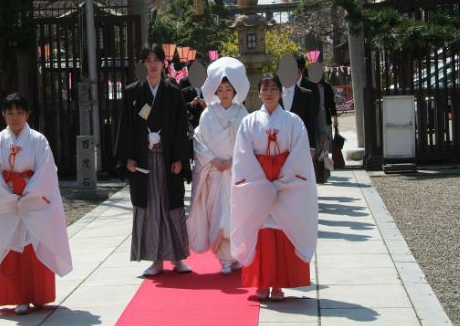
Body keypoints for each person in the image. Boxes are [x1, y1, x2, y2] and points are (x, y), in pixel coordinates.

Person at [0, 93, 72, 315]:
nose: (15, 117)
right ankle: (18, 297)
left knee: (36, 243)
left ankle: (40, 295)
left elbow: (46, 171)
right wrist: (8, 198)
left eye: (19, 112)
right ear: (3, 115)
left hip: (33, 200)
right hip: (6, 201)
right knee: (10, 247)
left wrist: (29, 196)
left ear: (27, 114)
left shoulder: (39, 141)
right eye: (10, 112)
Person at [230, 74, 318, 301]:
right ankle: (261, 283)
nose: (269, 93)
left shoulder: (293, 121)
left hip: (286, 181)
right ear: (258, 93)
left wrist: (283, 179)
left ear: (280, 92)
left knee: (283, 229)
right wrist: (260, 181)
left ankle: (278, 284)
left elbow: (299, 152)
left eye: (273, 89)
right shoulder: (248, 122)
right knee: (260, 231)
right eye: (265, 88)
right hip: (257, 181)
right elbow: (242, 155)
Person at [115, 43, 192, 277]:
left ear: (163, 63)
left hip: (168, 159)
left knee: (172, 207)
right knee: (149, 209)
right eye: (148, 60)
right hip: (143, 160)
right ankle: (156, 259)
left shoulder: (174, 93)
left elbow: (181, 128)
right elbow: (126, 126)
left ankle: (178, 258)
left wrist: (180, 157)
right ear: (143, 64)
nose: (152, 64)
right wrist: (128, 157)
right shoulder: (133, 93)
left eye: (156, 59)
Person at [187, 57, 249, 274]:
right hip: (214, 172)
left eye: (228, 89)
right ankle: (223, 258)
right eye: (220, 89)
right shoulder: (207, 114)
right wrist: (215, 161)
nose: (224, 93)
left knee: (237, 216)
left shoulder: (242, 113)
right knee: (219, 216)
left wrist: (232, 161)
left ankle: (237, 255)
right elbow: (199, 142)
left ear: (235, 91)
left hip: (235, 171)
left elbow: (248, 143)